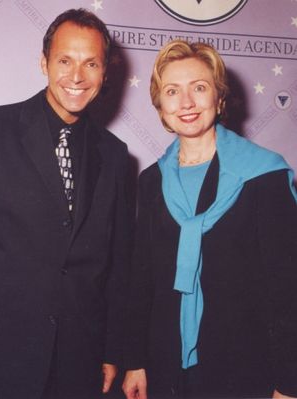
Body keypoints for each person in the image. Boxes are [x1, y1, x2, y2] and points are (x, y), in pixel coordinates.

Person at [0, 8, 133, 399]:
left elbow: (116, 267)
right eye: (65, 60)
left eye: (91, 63)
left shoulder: (117, 156)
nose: (77, 76)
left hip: (79, 367)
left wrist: (113, 350)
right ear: (44, 62)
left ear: (105, 72)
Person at [122, 39, 297, 399]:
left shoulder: (265, 174)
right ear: (160, 107)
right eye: (172, 91)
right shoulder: (151, 181)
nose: (186, 103)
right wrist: (134, 360)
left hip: (246, 370)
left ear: (219, 99)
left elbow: (287, 290)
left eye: (199, 88)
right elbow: (141, 280)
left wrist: (289, 383)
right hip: (164, 368)